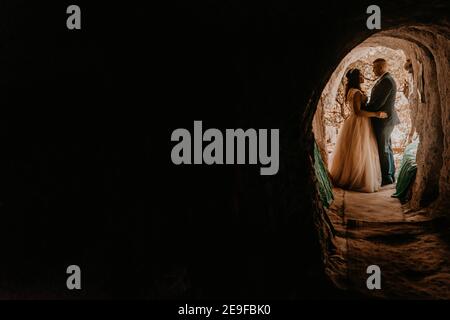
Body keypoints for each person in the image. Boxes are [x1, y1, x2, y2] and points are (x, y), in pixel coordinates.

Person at [330, 68, 387, 192]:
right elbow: (358, 112)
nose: (363, 76)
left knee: (354, 150)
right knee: (360, 150)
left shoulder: (351, 90)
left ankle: (351, 175)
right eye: (361, 75)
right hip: (359, 122)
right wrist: (376, 114)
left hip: (353, 122)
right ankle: (358, 179)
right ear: (356, 78)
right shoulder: (356, 92)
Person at [363, 58, 400, 185]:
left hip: (384, 120)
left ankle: (386, 177)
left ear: (381, 67)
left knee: (383, 148)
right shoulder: (384, 80)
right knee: (386, 147)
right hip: (384, 119)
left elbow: (378, 103)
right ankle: (390, 176)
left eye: (374, 68)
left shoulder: (387, 81)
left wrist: (362, 108)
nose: (373, 71)